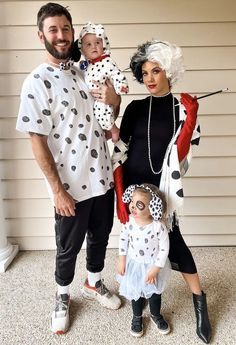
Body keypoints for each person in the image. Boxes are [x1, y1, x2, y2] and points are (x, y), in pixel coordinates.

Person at [16, 2, 121, 335]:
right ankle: (62, 295)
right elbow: (37, 140)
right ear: (41, 35)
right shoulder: (36, 82)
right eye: (53, 29)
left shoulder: (86, 71)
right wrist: (57, 190)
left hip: (102, 177)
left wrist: (114, 99)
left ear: (73, 32)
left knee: (101, 237)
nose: (61, 36)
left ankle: (93, 282)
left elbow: (108, 115)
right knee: (68, 247)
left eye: (65, 28)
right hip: (71, 186)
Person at [112, 40, 212, 344]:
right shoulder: (135, 108)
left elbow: (182, 154)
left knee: (175, 244)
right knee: (136, 246)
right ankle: (140, 309)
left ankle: (200, 303)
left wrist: (191, 116)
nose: (151, 78)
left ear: (168, 70)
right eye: (145, 73)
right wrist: (120, 192)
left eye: (156, 70)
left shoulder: (182, 107)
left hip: (163, 193)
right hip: (133, 190)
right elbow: (120, 150)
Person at [117, 183, 171, 337]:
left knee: (155, 292)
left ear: (152, 208)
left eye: (139, 205)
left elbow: (164, 248)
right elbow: (123, 240)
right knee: (136, 291)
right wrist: (122, 259)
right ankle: (137, 316)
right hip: (134, 263)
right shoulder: (129, 222)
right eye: (132, 202)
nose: (132, 207)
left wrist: (156, 268)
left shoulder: (158, 227)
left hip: (153, 265)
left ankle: (155, 315)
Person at [77, 22, 129, 143]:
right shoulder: (87, 64)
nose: (94, 47)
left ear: (103, 44)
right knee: (97, 115)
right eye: (88, 44)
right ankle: (108, 131)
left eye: (97, 43)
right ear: (83, 49)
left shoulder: (106, 62)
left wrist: (121, 86)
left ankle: (114, 130)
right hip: (94, 99)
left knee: (101, 112)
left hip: (102, 98)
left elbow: (116, 74)